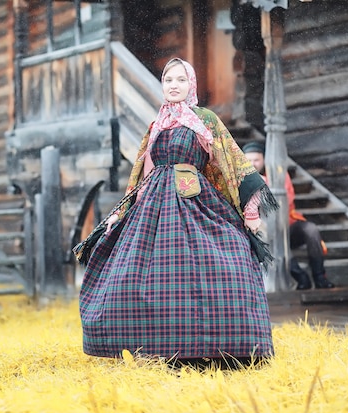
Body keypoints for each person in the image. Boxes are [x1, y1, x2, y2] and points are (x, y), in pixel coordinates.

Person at [78, 58, 279, 369]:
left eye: (180, 80)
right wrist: (122, 212)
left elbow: (230, 160)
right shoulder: (155, 125)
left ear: (191, 85)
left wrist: (249, 213)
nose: (173, 85)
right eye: (168, 80)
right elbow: (142, 174)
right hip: (154, 207)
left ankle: (216, 348)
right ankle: (157, 348)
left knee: (223, 262)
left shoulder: (205, 120)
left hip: (197, 200)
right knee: (139, 273)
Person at [242, 141, 335, 290]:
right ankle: (300, 276)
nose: (253, 164)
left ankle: (320, 277)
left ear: (264, 159)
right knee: (267, 236)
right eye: (249, 160)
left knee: (311, 230)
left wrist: (264, 185)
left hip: (287, 225)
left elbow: (285, 201)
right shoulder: (241, 177)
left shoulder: (278, 174)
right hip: (262, 230)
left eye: (256, 160)